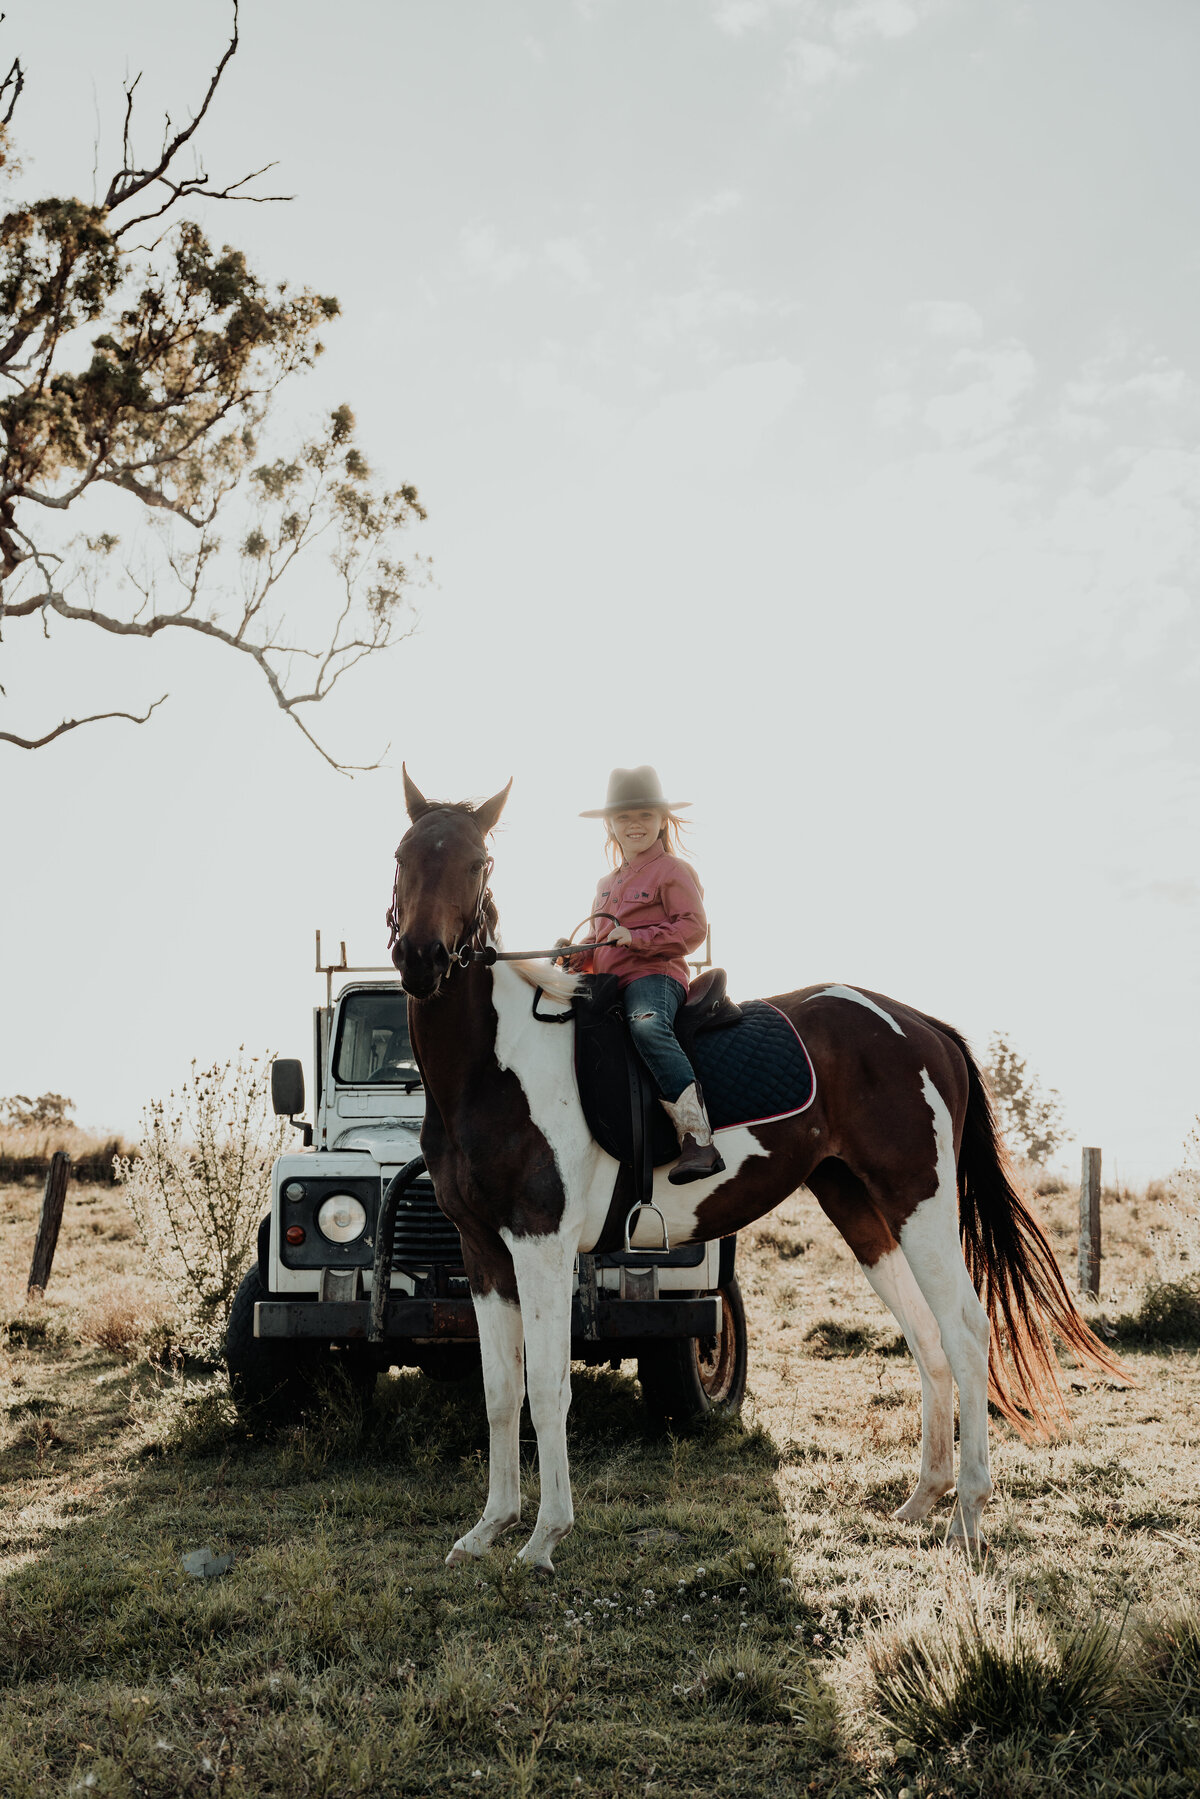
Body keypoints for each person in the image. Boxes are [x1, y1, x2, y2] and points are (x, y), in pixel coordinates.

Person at [574, 766, 725, 1184]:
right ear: (611, 825)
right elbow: (598, 938)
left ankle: (698, 1138)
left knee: (647, 1026)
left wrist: (637, 938)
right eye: (624, 817)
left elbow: (692, 927)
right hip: (606, 984)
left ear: (661, 820)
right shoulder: (606, 883)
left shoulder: (673, 871)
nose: (634, 825)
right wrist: (576, 956)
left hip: (652, 978)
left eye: (644, 815)